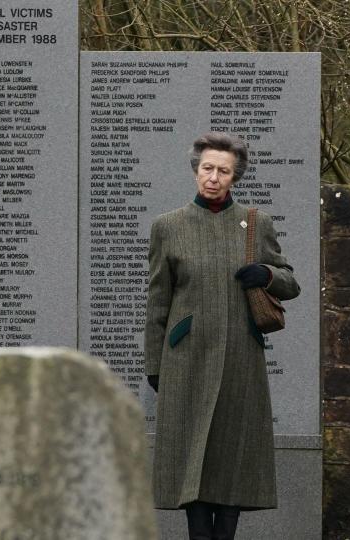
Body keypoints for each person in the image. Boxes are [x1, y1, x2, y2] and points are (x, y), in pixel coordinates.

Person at [143, 132, 300, 540]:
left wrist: (266, 273)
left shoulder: (256, 223)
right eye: (207, 168)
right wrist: (155, 365)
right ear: (196, 170)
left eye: (223, 171)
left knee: (233, 455)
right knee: (192, 455)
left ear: (235, 177)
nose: (213, 177)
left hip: (240, 358)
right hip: (186, 359)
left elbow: (290, 282)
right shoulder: (168, 227)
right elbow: (158, 300)